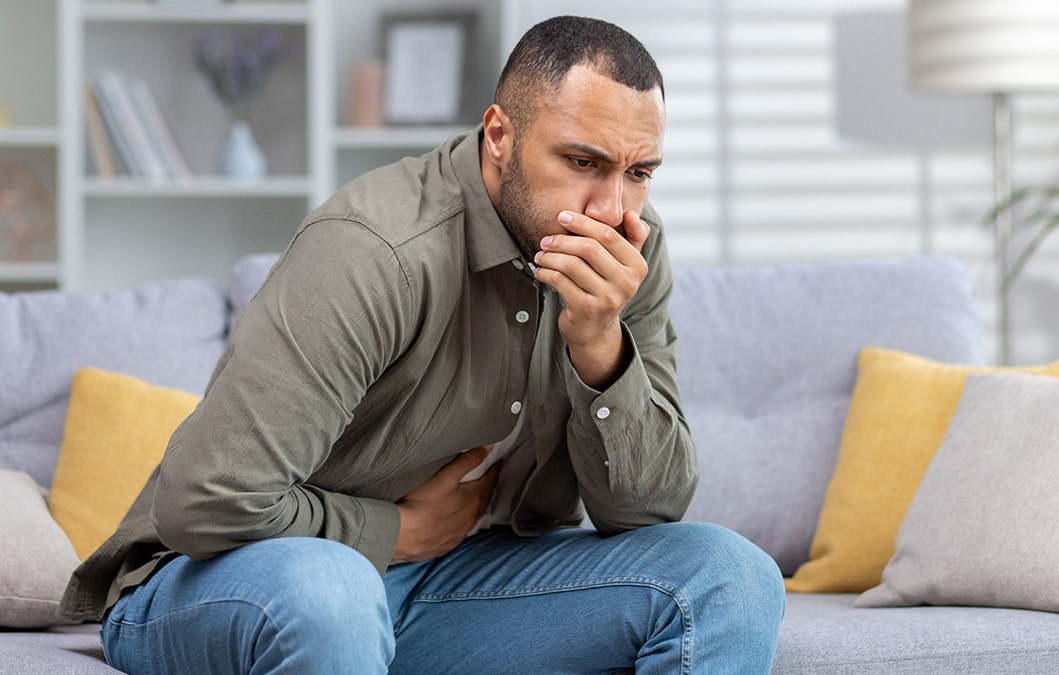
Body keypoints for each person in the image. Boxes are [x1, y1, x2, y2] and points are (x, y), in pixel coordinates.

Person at [60, 15, 785, 674]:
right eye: (584, 162)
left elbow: (646, 512)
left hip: (458, 585)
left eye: (639, 173)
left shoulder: (630, 253)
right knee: (332, 592)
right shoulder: (375, 251)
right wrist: (397, 532)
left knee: (732, 578)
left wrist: (600, 344)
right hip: (230, 580)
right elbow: (206, 502)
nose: (612, 209)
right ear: (499, 135)